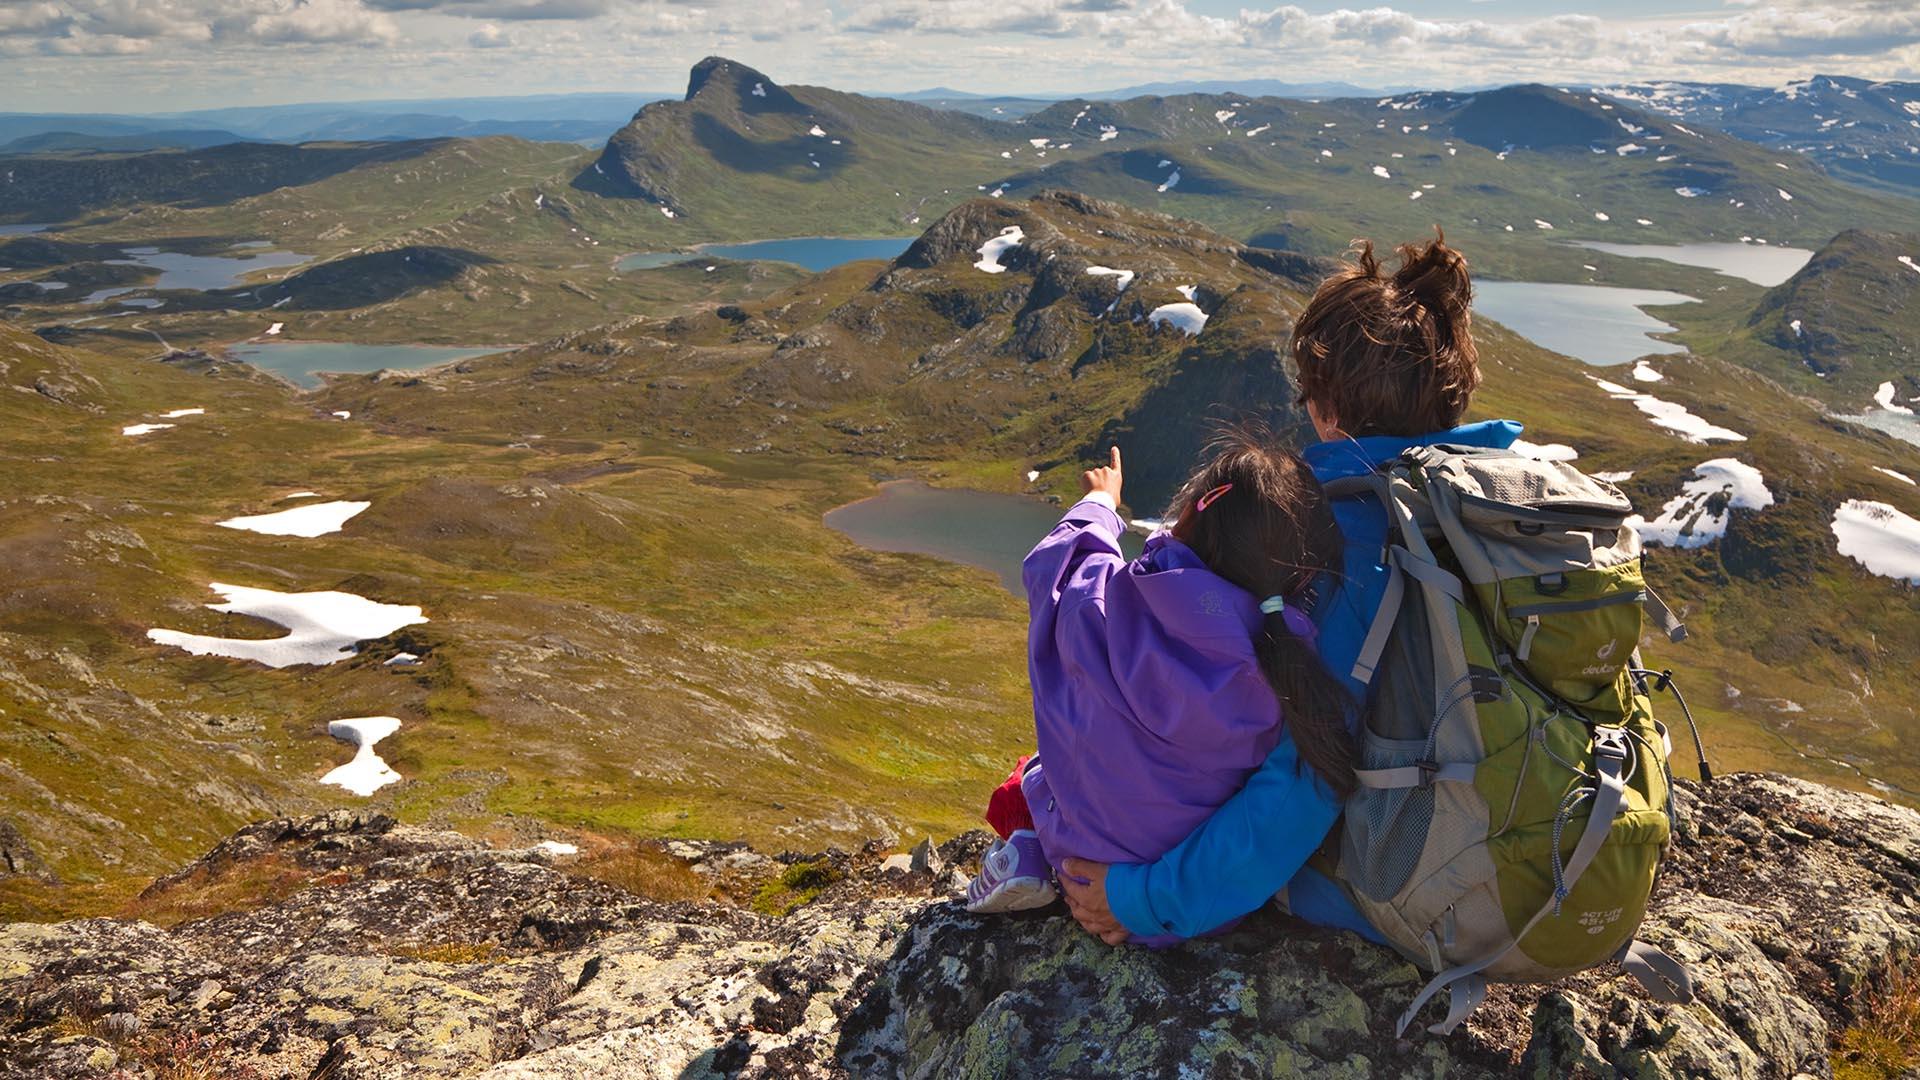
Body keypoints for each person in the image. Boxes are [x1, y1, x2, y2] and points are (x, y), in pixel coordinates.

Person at [1052, 230, 1524, 947]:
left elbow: (1307, 783)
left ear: (1327, 406)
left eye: (1309, 391)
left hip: (1409, 880)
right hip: (1523, 841)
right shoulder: (1491, 507)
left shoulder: (1351, 543)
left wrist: (1142, 899)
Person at [964, 430, 1354, 944]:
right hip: (1180, 893)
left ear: (1191, 513)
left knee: (1035, 771)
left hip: (1078, 855)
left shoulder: (1099, 596)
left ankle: (1029, 855)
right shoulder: (1282, 671)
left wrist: (1101, 501)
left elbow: (1056, 563)